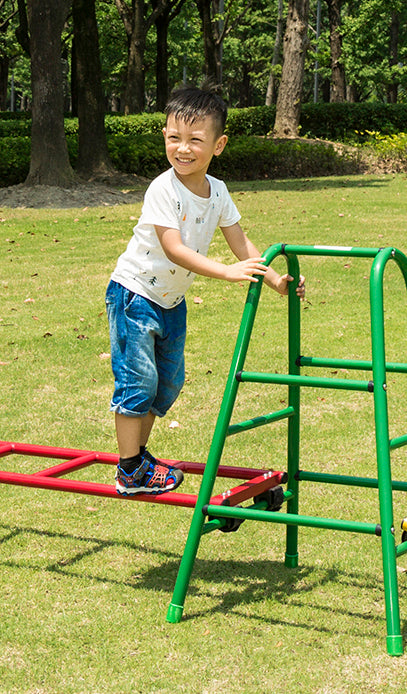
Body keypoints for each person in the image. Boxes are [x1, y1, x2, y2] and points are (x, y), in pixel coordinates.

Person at [106, 84, 305, 496]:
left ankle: (139, 458)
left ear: (219, 145)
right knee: (138, 383)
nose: (182, 148)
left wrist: (274, 281)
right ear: (164, 136)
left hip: (170, 301)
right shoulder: (164, 188)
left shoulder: (218, 192)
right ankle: (129, 470)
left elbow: (242, 244)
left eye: (195, 140)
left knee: (167, 386)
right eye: (174, 137)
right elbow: (174, 249)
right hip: (135, 295)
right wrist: (225, 273)